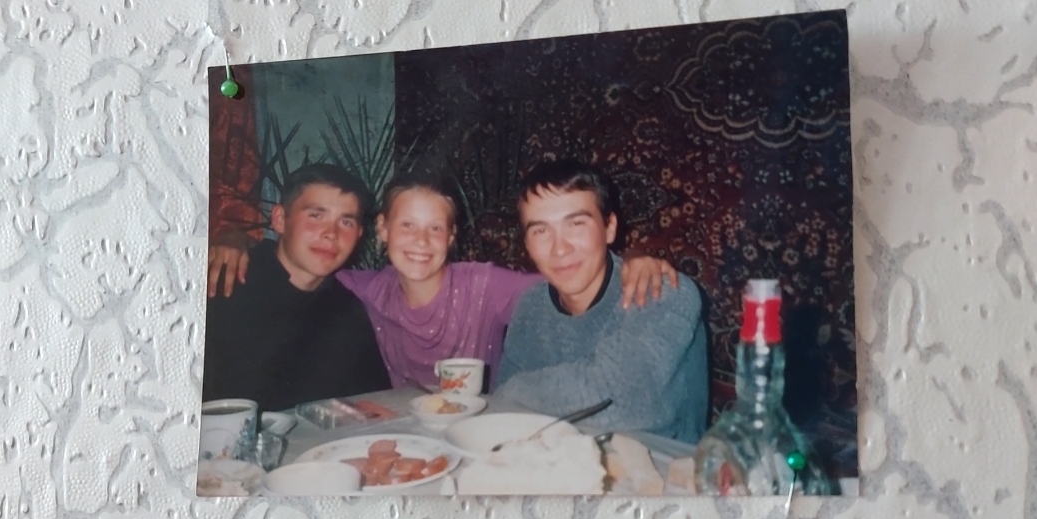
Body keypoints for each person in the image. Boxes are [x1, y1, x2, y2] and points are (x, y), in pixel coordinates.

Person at [207, 170, 680, 390]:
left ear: (452, 237)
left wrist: (632, 256)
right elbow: (304, 268)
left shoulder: (485, 287)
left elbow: (566, 276)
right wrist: (233, 237)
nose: (420, 241)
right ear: (382, 230)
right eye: (407, 226)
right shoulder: (362, 290)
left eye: (435, 228)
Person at [494, 159, 709, 443]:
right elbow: (502, 414)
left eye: (576, 224)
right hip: (556, 461)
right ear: (527, 245)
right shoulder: (530, 307)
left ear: (609, 228)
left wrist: (512, 390)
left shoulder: (664, 290)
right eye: (541, 231)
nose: (560, 249)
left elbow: (619, 402)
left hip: (660, 467)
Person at [202, 163, 391, 411]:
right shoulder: (223, 283)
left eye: (346, 222)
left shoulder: (349, 311)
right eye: (316, 216)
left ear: (358, 235)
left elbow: (373, 406)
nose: (331, 234)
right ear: (280, 219)